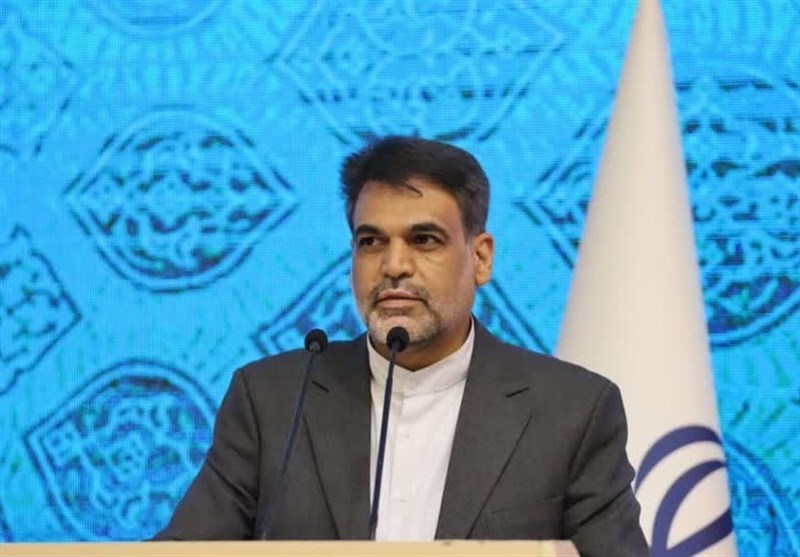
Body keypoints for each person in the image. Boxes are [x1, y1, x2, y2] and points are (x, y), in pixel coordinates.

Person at [155, 136, 649, 556]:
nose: (393, 266)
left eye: (424, 240)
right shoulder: (273, 401)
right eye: (370, 242)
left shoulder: (571, 412)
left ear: (480, 258)